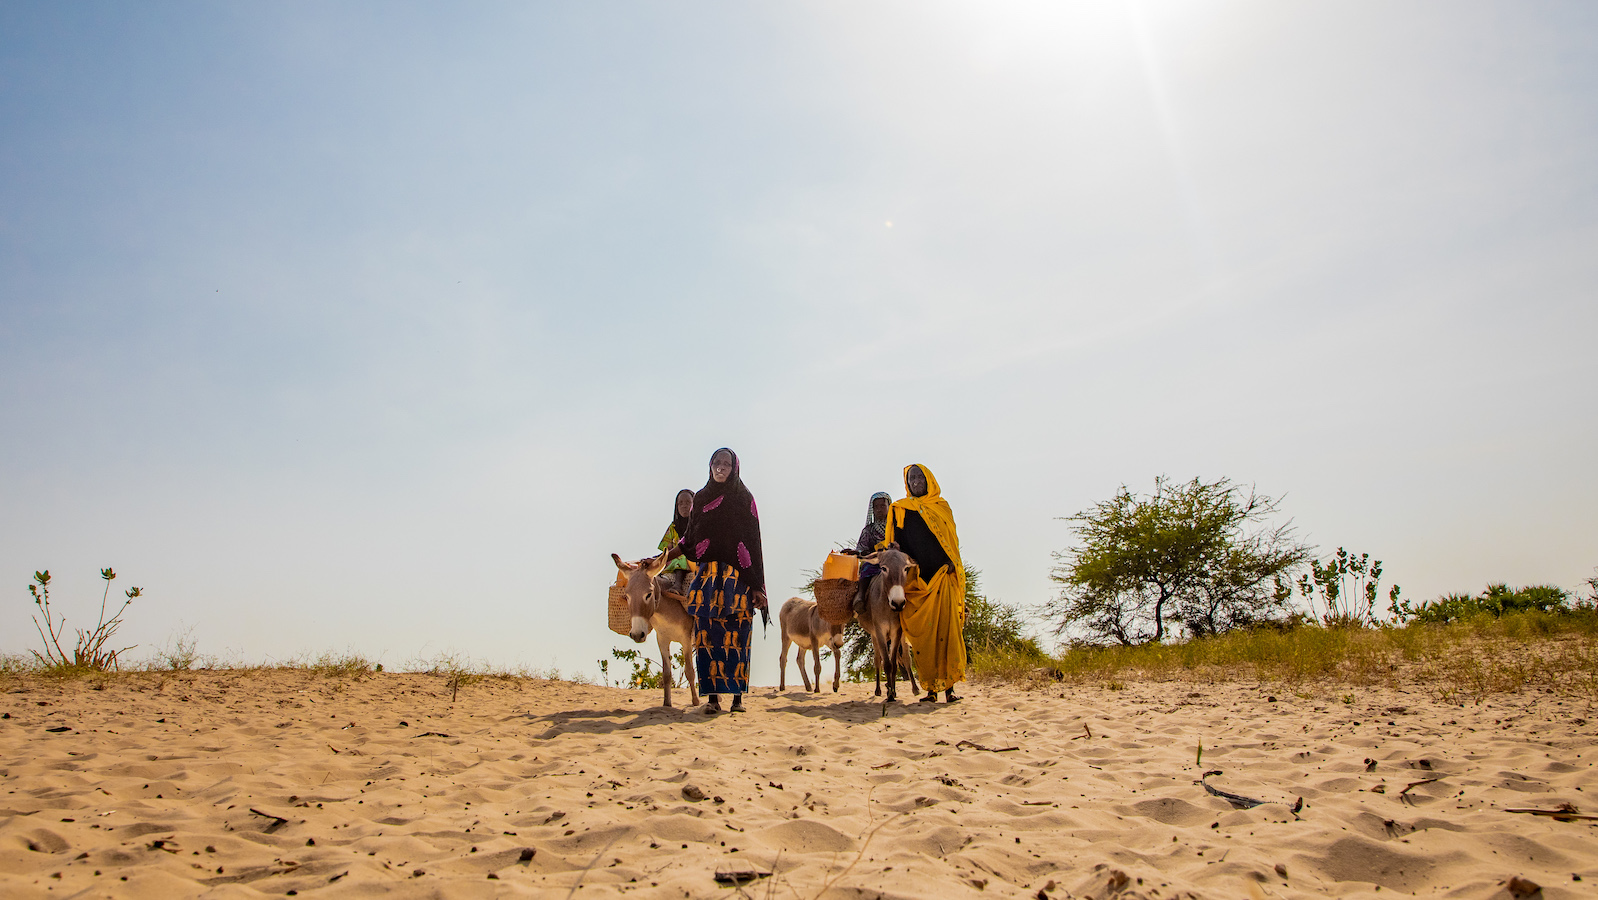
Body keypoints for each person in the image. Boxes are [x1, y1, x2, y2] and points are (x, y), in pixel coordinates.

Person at [668, 448, 767, 714]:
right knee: (707, 637)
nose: (721, 467)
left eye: (726, 463)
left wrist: (758, 586)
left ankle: (737, 699)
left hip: (738, 579)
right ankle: (712, 698)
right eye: (717, 462)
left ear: (734, 467)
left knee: (738, 637)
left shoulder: (744, 499)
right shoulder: (700, 499)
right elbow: (689, 540)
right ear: (710, 465)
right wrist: (663, 557)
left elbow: (754, 544)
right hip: (708, 577)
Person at [884, 464, 965, 703]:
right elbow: (895, 542)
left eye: (920, 477)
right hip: (917, 582)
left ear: (929, 480)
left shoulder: (942, 508)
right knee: (925, 639)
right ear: (906, 482)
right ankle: (930, 690)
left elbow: (951, 542)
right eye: (911, 478)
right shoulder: (899, 509)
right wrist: (895, 549)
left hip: (943, 577)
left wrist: (952, 562)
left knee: (947, 634)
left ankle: (949, 690)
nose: (916, 481)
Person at [853, 491, 892, 616]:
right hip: (875, 561)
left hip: (893, 560)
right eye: (876, 507)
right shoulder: (869, 530)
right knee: (866, 568)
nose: (879, 509)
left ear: (889, 507)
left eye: (882, 506)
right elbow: (861, 546)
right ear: (872, 509)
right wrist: (861, 552)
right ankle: (861, 597)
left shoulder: (896, 527)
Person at [657, 489, 695, 595]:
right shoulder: (673, 527)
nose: (684, 506)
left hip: (693, 560)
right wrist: (655, 559)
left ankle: (678, 585)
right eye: (680, 503)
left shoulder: (698, 526)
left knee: (682, 554)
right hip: (672, 560)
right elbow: (667, 550)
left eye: (688, 503)